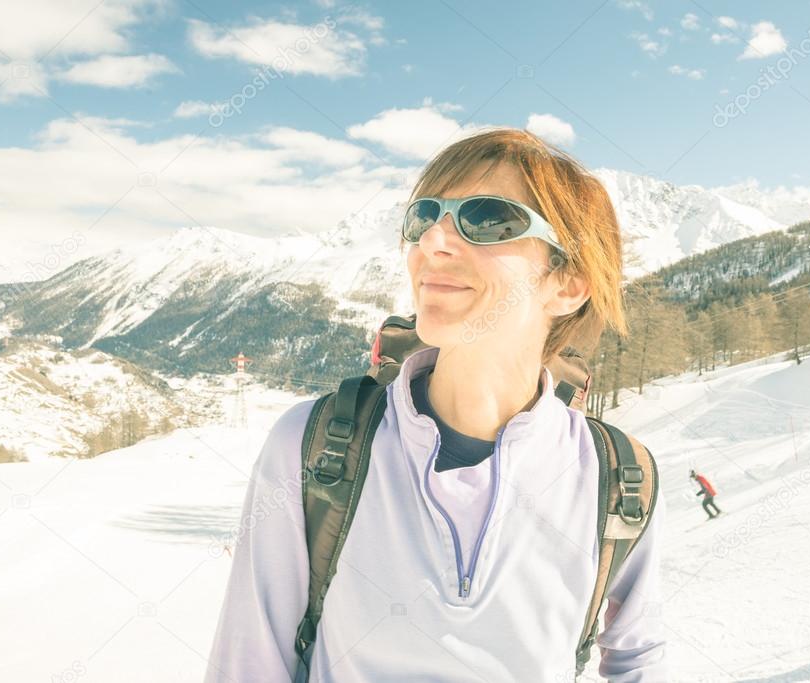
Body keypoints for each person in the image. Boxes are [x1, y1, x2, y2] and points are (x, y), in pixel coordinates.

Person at [203, 128, 668, 682]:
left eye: (490, 219)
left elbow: (640, 657)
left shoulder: (617, 477)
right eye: (425, 217)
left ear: (567, 284)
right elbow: (248, 664)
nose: (433, 242)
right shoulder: (317, 445)